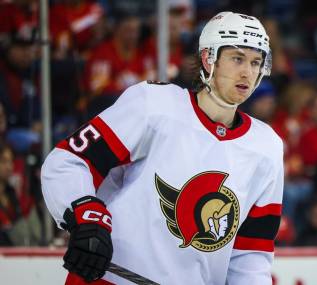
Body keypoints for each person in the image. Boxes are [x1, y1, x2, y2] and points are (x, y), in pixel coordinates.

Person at [41, 11, 284, 285]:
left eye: (255, 62)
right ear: (208, 58)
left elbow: (251, 250)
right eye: (237, 58)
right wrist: (87, 216)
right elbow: (69, 161)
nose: (247, 72)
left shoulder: (266, 147)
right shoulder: (154, 104)